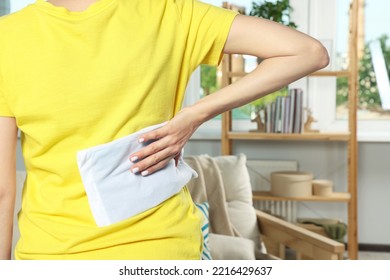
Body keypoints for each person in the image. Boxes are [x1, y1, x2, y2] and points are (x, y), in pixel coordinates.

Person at [0, 0, 329, 260]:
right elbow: (308, 51)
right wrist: (196, 113)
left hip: (52, 255)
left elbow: (2, 189)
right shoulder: (170, 12)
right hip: (163, 250)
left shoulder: (7, 38)